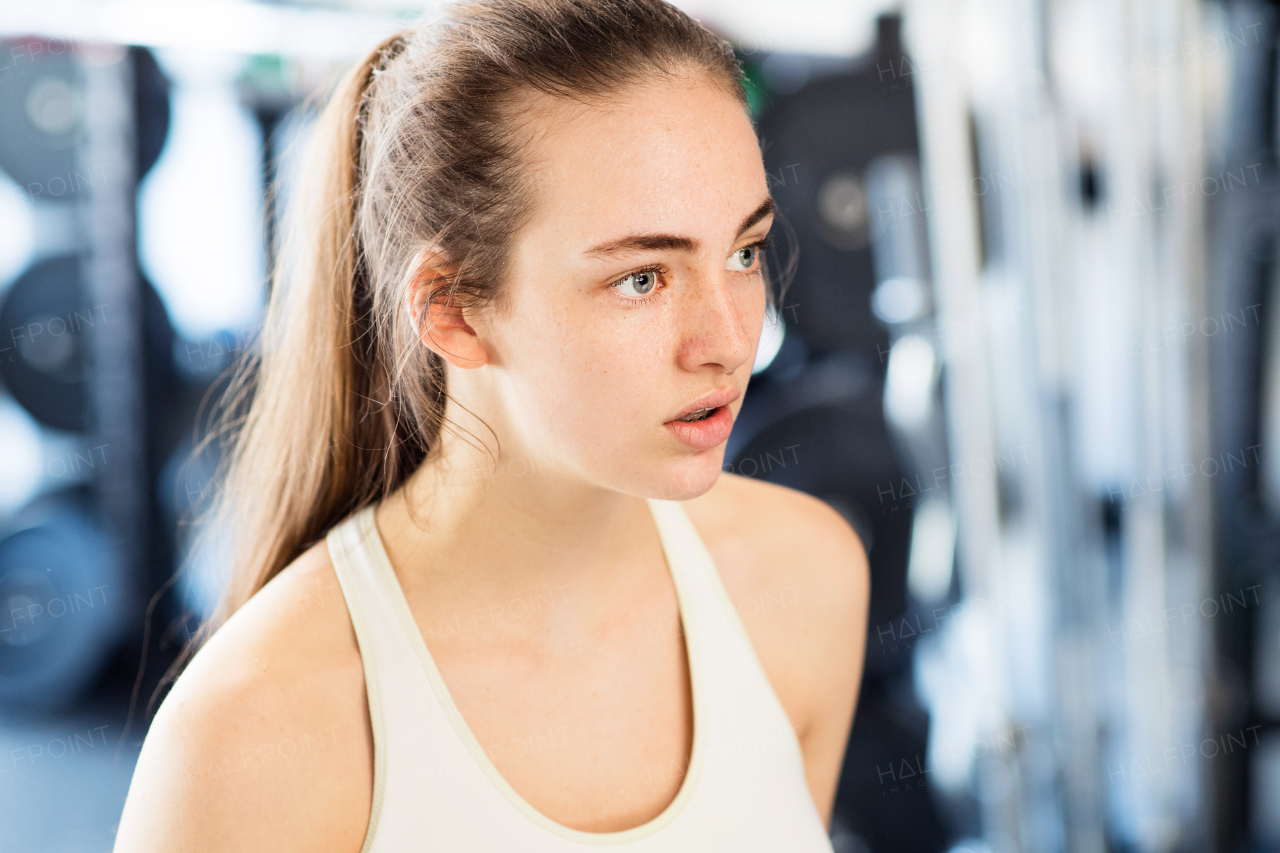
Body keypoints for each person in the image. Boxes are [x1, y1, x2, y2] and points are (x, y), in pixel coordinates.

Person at [113, 1, 869, 850]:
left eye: (742, 252)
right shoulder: (255, 734)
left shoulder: (804, 579)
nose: (731, 342)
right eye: (643, 279)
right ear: (452, 312)